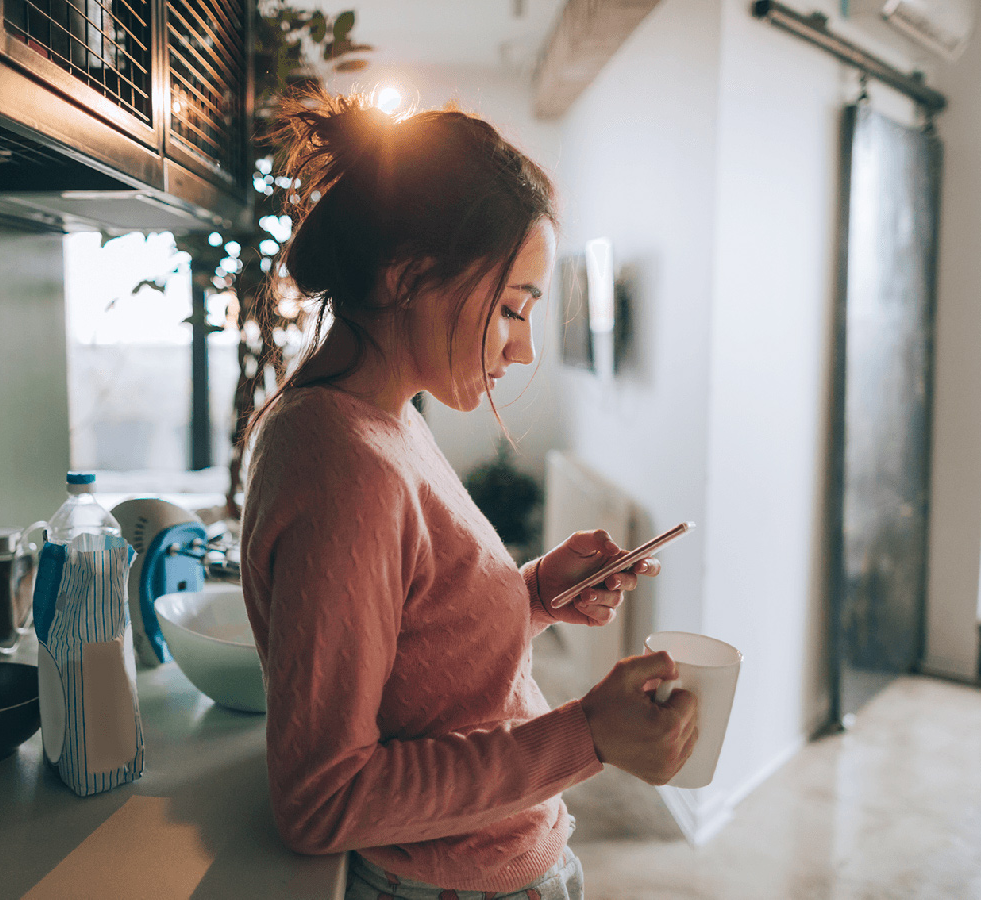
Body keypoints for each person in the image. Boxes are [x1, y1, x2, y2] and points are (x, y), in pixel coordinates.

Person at [240, 87, 699, 900]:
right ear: (410, 277)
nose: (522, 350)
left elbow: (415, 657)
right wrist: (586, 734)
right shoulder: (344, 465)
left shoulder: (383, 419)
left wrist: (530, 595)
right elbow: (323, 800)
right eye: (512, 309)